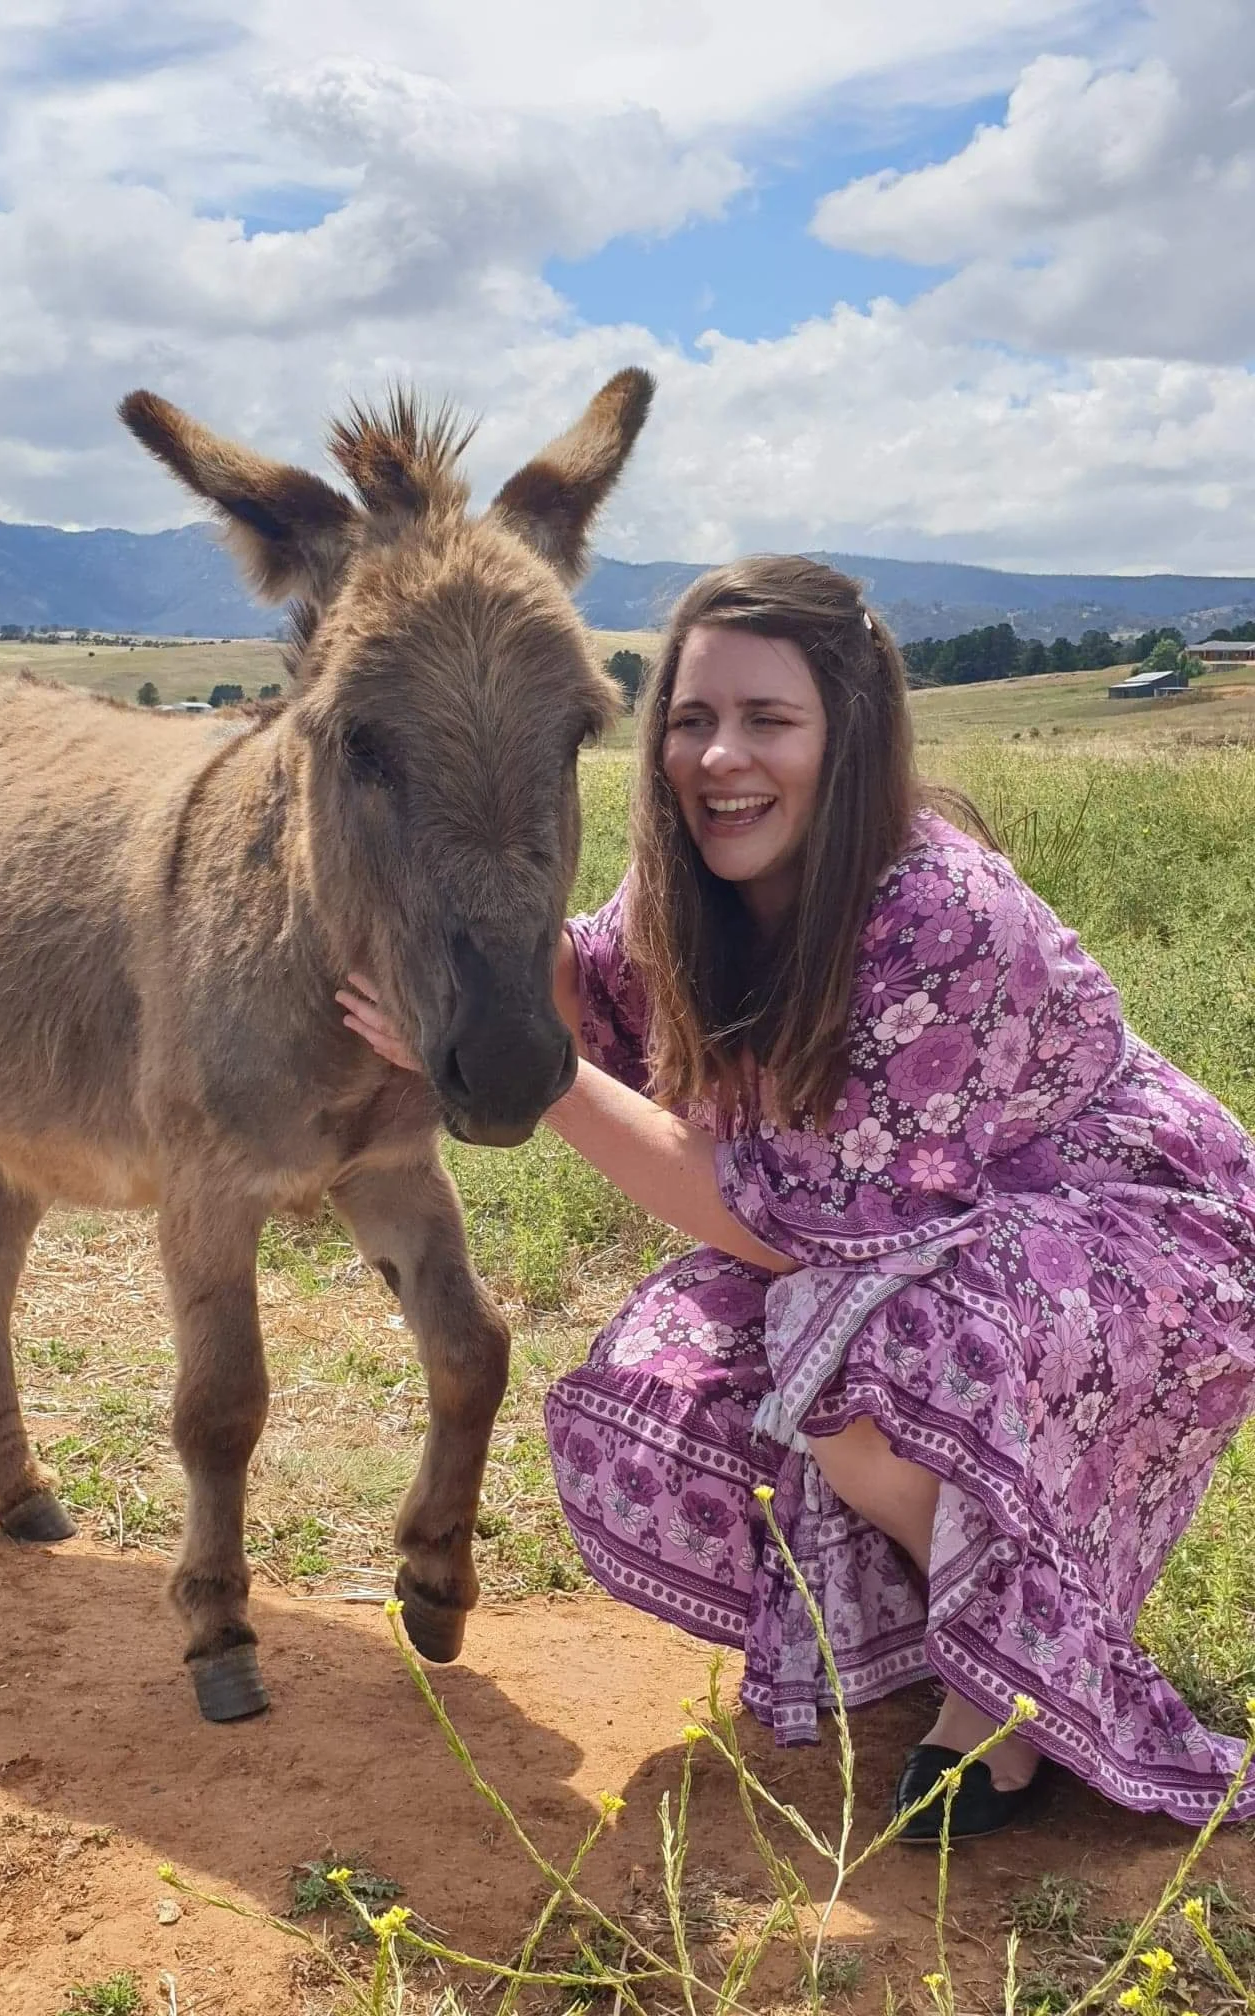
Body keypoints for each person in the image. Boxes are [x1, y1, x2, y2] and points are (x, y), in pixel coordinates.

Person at [338, 555, 1255, 1841]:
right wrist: (459, 897)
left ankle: (1017, 1696)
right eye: (692, 721)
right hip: (915, 1225)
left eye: (768, 721)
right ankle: (951, 1608)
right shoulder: (689, 887)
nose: (721, 758)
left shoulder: (939, 905)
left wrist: (534, 1079)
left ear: (850, 731)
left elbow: (791, 1225)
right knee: (665, 1385)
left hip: (1133, 1228)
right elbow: (592, 987)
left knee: (856, 1369)